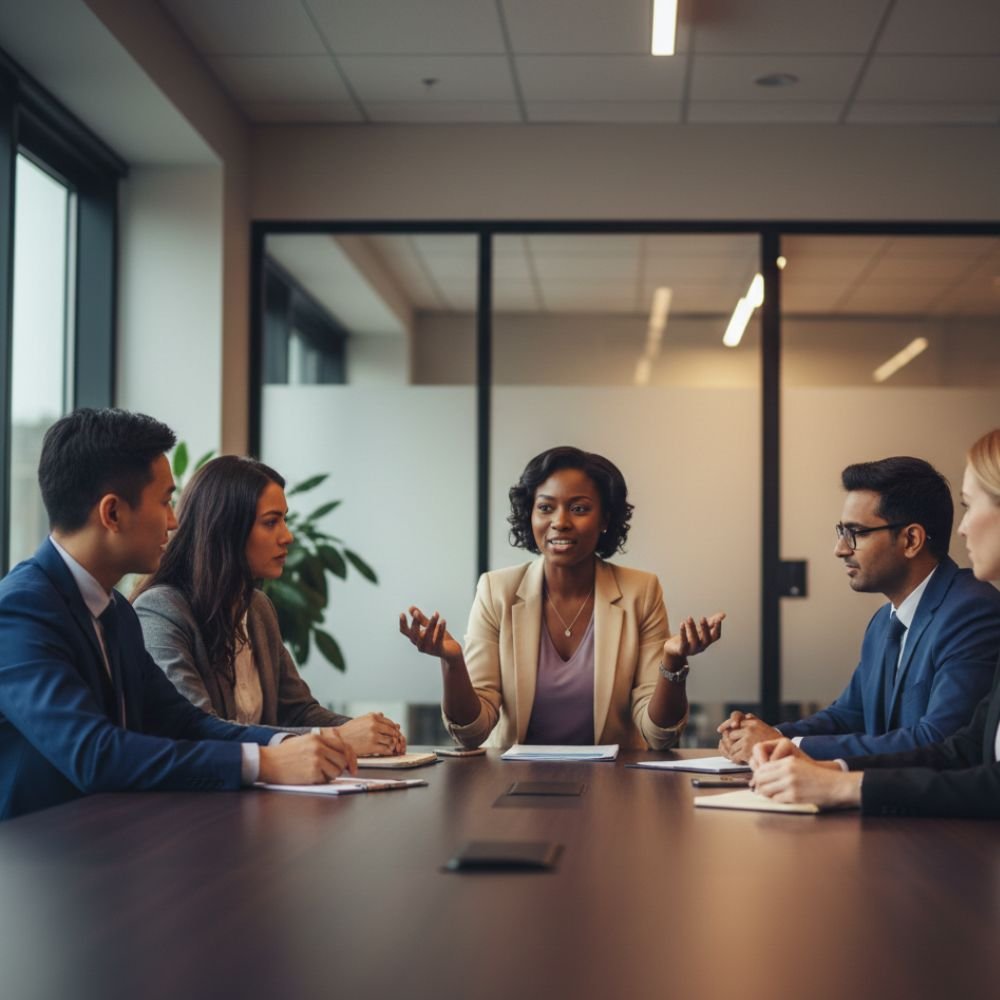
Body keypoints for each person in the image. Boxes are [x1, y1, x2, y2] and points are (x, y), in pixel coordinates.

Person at [0, 409, 356, 821]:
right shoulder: (19, 611)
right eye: (166, 501)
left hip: (108, 846)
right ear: (112, 513)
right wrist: (264, 764)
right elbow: (94, 753)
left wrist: (280, 745)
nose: (173, 522)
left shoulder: (114, 612)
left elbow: (184, 723)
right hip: (36, 865)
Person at [399, 446, 725, 749]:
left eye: (579, 509)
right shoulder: (496, 590)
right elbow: (472, 733)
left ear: (605, 519)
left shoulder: (641, 591)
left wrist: (673, 660)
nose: (560, 522)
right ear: (531, 515)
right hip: (511, 786)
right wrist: (453, 662)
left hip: (615, 785)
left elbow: (658, 735)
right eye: (545, 508)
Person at [749, 429, 1000, 818]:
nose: (840, 549)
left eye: (856, 533)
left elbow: (944, 742)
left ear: (911, 540)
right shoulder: (885, 621)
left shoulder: (974, 610)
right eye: (841, 532)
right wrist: (781, 739)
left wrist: (830, 773)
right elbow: (851, 715)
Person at [133, 455, 405, 756]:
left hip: (262, 794)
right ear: (226, 529)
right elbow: (199, 731)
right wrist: (339, 737)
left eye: (284, 520)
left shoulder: (258, 608)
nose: (287, 537)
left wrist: (373, 734)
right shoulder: (161, 611)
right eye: (271, 522)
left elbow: (298, 711)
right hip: (198, 799)